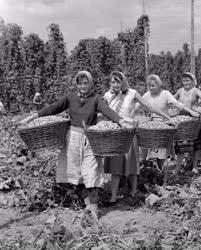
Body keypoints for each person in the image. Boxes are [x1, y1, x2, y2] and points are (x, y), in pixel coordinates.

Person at [18, 70, 130, 217]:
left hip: (90, 140)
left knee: (92, 174)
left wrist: (121, 121)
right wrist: (31, 117)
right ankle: (88, 206)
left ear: (90, 84)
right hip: (72, 140)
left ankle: (94, 210)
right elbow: (54, 108)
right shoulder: (70, 97)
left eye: (86, 83)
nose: (83, 86)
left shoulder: (96, 99)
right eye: (80, 83)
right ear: (76, 84)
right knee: (76, 176)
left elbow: (107, 111)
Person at [103, 71, 174, 204]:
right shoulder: (107, 95)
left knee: (131, 165)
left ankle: (133, 192)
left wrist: (167, 117)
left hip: (129, 132)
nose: (115, 84)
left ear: (123, 81)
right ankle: (113, 196)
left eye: (118, 81)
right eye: (113, 82)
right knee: (115, 167)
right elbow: (101, 111)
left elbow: (149, 107)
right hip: (114, 134)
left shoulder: (132, 93)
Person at [137, 74, 199, 185]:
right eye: (149, 86)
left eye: (153, 85)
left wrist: (190, 111)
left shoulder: (165, 94)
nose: (151, 88)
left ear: (159, 85)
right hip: (150, 128)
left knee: (162, 156)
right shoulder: (146, 95)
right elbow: (137, 105)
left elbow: (177, 103)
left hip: (163, 128)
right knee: (145, 156)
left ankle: (165, 181)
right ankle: (148, 180)